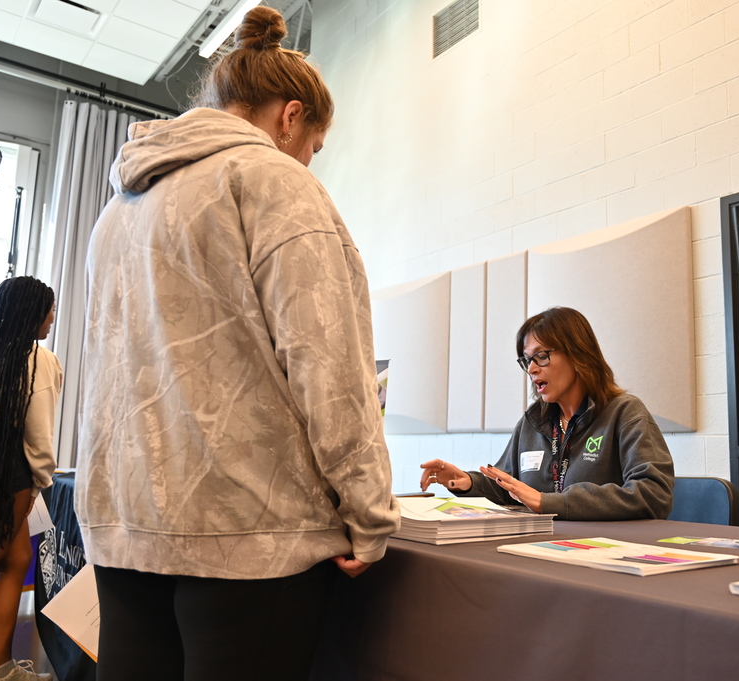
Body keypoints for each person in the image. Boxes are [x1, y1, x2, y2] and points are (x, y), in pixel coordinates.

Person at [75, 7, 399, 681]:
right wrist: (369, 512)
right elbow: (328, 365)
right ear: (290, 115)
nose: (312, 158)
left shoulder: (118, 209)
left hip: (125, 523)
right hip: (251, 531)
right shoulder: (276, 182)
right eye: (315, 141)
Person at [420, 307, 674, 520]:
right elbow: (508, 487)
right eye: (526, 360)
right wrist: (467, 482)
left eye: (541, 357)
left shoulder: (625, 412)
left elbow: (653, 495)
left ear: (578, 354)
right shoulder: (533, 422)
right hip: (539, 546)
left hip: (603, 550)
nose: (531, 369)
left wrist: (549, 503)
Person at [0, 277, 60, 681]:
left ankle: (0, 668)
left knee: (16, 558)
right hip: (9, 478)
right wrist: (42, 482)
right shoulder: (38, 358)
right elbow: (38, 435)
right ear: (32, 314)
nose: (52, 317)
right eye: (49, 309)